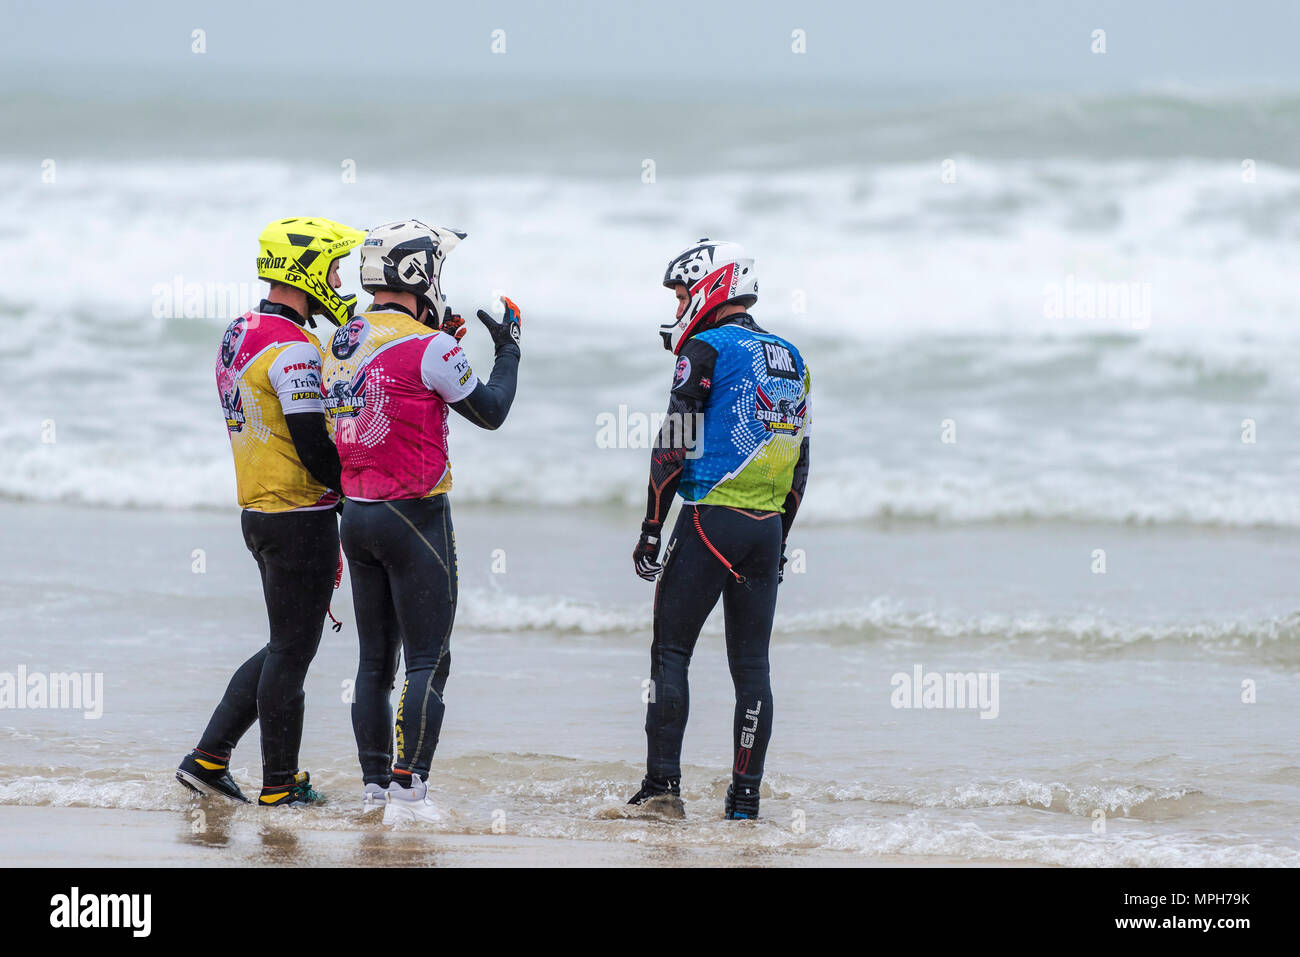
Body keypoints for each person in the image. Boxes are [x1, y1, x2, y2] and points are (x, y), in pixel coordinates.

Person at [320, 220, 522, 823]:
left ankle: (375, 790)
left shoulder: (338, 342)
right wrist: (509, 349)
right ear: (422, 275)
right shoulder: (433, 347)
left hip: (355, 518)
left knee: (373, 664)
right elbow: (490, 412)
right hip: (415, 517)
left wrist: (441, 342)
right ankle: (411, 794)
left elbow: (388, 378)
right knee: (430, 659)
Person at [177, 217, 365, 807]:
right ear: (305, 271)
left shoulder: (241, 331)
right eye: (334, 268)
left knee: (284, 643)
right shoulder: (294, 349)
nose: (339, 279)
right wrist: (356, 491)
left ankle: (208, 759)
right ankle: (279, 788)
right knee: (292, 650)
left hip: (258, 512)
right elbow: (313, 445)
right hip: (299, 515)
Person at [628, 239, 812, 820]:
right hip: (766, 528)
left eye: (682, 293)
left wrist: (653, 526)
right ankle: (743, 804)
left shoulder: (706, 348)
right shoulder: (793, 356)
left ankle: (662, 791)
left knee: (671, 653)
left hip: (711, 518)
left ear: (710, 286)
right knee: (753, 668)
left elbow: (673, 443)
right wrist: (782, 535)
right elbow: (800, 461)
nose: (679, 306)